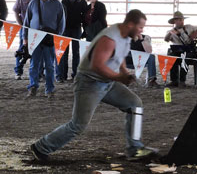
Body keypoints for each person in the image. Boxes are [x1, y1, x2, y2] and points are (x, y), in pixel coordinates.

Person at [29, 9, 156, 163]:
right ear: (130, 24)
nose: (142, 31)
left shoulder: (125, 35)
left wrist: (124, 72)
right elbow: (97, 66)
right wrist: (119, 77)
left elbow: (120, 55)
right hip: (89, 83)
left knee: (135, 104)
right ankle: (41, 147)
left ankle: (135, 149)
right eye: (141, 27)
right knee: (78, 125)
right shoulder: (110, 38)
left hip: (107, 82)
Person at [23, 0, 65, 98]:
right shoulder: (32, 4)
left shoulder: (57, 5)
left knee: (50, 66)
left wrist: (57, 37)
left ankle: (50, 89)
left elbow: (61, 23)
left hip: (50, 40)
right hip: (34, 39)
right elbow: (26, 22)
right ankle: (33, 86)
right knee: (33, 64)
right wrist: (25, 38)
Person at [57, 0, 87, 83]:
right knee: (64, 52)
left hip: (76, 28)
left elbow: (85, 16)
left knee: (76, 52)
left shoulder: (82, 0)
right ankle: (62, 75)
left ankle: (75, 75)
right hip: (65, 28)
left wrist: (85, 29)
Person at [164, 11, 197, 87]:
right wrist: (170, 34)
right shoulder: (171, 31)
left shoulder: (189, 27)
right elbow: (166, 39)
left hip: (189, 50)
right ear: (175, 21)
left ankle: (182, 81)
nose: (181, 22)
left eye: (182, 20)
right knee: (172, 57)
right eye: (179, 20)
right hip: (177, 50)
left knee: (186, 58)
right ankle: (174, 80)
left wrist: (196, 33)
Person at [13, 0, 39, 79]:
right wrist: (20, 24)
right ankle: (18, 71)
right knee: (22, 49)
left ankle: (35, 71)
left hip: (38, 29)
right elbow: (16, 10)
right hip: (25, 28)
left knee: (37, 50)